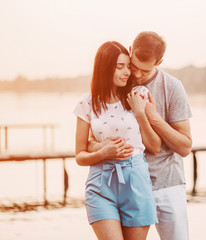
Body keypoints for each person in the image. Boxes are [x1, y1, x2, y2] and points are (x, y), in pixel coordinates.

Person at [89, 31, 193, 240]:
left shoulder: (172, 87)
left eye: (144, 71)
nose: (135, 75)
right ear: (130, 51)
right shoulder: (119, 82)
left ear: (159, 62)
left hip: (166, 183)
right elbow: (94, 137)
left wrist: (153, 117)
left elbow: (185, 147)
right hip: (127, 184)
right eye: (133, 66)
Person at [73, 41, 160, 240]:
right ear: (105, 68)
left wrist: (140, 114)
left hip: (136, 180)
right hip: (101, 184)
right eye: (120, 67)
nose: (127, 72)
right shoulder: (86, 103)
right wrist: (102, 153)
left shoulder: (139, 95)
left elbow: (154, 146)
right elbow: (80, 156)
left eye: (128, 66)